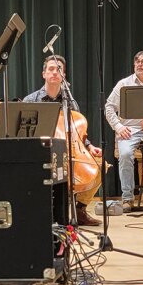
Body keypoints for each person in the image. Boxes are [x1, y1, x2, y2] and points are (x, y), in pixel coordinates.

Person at [24, 55, 103, 226]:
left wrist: (89, 146)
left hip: (70, 150)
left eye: (58, 69)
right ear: (43, 74)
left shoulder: (71, 102)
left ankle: (80, 210)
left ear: (64, 76)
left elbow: (77, 132)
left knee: (100, 164)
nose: (54, 72)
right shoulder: (31, 100)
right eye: (50, 69)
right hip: (43, 153)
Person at [104, 50, 143, 215]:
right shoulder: (124, 84)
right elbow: (109, 107)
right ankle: (127, 197)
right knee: (125, 154)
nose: (139, 64)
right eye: (137, 61)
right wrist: (118, 127)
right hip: (130, 130)